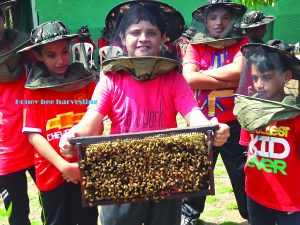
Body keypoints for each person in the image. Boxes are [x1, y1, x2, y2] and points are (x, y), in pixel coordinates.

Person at [59, 1, 230, 225]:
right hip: (120, 176)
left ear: (162, 38)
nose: (143, 38)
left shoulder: (174, 79)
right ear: (122, 38)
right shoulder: (110, 80)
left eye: (151, 32)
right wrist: (72, 135)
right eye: (135, 32)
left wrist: (213, 129)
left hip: (167, 174)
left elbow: (194, 115)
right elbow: (90, 122)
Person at [18, 21, 99, 225]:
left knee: (88, 220)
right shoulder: (33, 90)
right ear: (38, 56)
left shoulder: (86, 82)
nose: (61, 60)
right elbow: (33, 136)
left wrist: (78, 163)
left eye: (64, 51)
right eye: (51, 55)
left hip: (84, 170)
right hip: (51, 174)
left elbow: (97, 125)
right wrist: (63, 165)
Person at [181, 0, 250, 224]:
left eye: (224, 17)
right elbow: (190, 78)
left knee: (242, 172)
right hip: (201, 121)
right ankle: (189, 215)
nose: (218, 23)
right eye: (213, 18)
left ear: (233, 20)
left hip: (236, 122)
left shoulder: (242, 43)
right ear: (205, 21)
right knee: (197, 170)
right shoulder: (195, 46)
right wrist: (226, 75)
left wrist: (206, 74)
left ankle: (251, 215)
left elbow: (240, 70)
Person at [234, 39, 300, 225]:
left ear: (286, 76)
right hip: (255, 194)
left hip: (291, 200)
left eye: (267, 77)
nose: (259, 84)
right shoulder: (251, 110)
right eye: (255, 78)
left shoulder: (295, 116)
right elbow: (248, 149)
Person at [0, 1, 37, 224]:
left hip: (38, 142)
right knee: (17, 214)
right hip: (5, 152)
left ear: (3, 20)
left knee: (50, 206)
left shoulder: (27, 51)